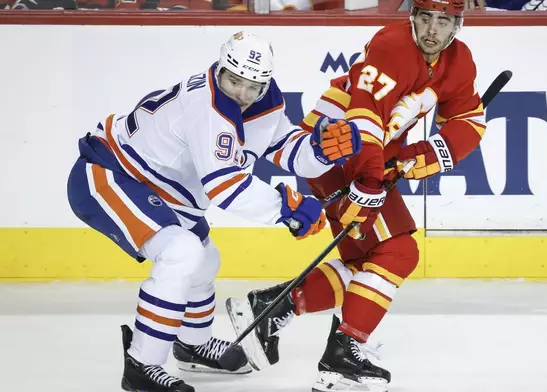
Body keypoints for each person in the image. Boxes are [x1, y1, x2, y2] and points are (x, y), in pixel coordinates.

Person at [66, 31, 361, 392]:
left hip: (163, 188)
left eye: (252, 86)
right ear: (221, 68)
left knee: (205, 261)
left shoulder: (265, 99)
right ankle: (142, 365)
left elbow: (282, 145)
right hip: (111, 174)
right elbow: (224, 187)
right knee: (181, 253)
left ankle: (193, 344)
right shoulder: (206, 107)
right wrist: (285, 208)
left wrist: (318, 150)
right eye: (234, 81)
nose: (241, 93)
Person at [226, 1, 487, 391]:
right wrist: (369, 180)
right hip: (336, 147)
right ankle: (342, 356)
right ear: (412, 17)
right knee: (398, 252)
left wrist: (420, 156)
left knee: (368, 262)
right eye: (425, 18)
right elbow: (363, 115)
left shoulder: (458, 62)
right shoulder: (392, 45)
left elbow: (469, 121)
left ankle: (273, 308)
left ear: (457, 25)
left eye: (443, 20)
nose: (432, 29)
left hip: (367, 153)